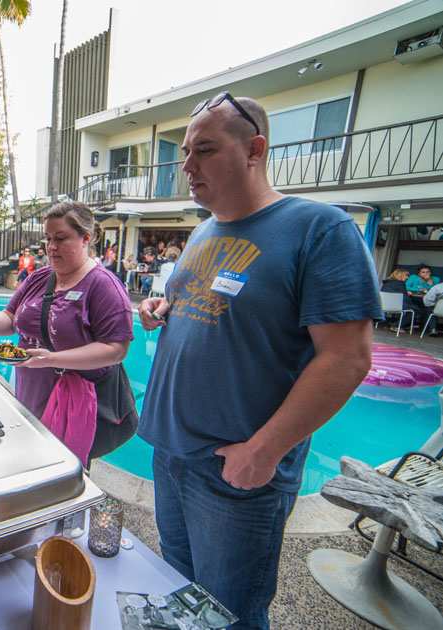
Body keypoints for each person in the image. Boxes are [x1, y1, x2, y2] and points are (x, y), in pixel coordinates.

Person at [137, 93, 380, 629]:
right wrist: (164, 308)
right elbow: (208, 303)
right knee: (181, 592)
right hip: (172, 453)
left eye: (204, 150)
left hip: (236, 472)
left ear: (255, 150)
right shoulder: (204, 230)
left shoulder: (319, 230)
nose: (187, 167)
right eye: (184, 154)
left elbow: (346, 358)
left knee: (231, 613)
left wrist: (262, 452)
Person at [0, 202, 134, 465]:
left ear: (86, 238)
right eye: (48, 238)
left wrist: (52, 359)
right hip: (31, 393)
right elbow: (9, 319)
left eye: (61, 239)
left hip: (75, 401)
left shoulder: (103, 285)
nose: (51, 247)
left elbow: (116, 349)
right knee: (33, 461)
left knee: (64, 471)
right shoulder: (39, 278)